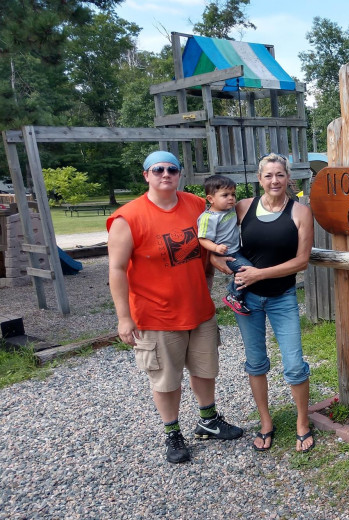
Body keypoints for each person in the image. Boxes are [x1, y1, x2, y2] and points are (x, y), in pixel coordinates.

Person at [108, 151, 243, 465]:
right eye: (158, 169)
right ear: (147, 175)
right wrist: (123, 318)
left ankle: (208, 420)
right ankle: (172, 433)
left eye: (172, 169)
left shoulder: (196, 205)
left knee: (205, 369)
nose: (165, 174)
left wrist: (216, 264)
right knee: (166, 380)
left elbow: (213, 236)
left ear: (180, 174)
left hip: (198, 308)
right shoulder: (128, 218)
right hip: (156, 314)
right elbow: (115, 269)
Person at [211, 153, 315, 453]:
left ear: (288, 178)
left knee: (295, 366)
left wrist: (260, 274)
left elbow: (302, 261)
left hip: (282, 298)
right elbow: (215, 239)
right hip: (248, 299)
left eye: (280, 175)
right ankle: (266, 422)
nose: (274, 181)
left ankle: (302, 423)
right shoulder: (243, 207)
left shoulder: (300, 213)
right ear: (260, 179)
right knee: (256, 363)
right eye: (268, 175)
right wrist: (220, 262)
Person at [197, 174, 253, 316]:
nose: (231, 198)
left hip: (236, 249)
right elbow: (202, 239)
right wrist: (216, 248)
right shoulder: (208, 218)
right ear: (211, 199)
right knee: (247, 270)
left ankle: (242, 293)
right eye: (225, 195)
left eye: (233, 194)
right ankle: (233, 295)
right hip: (225, 254)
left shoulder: (230, 209)